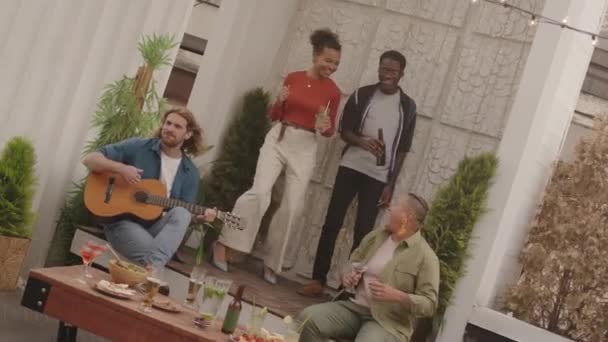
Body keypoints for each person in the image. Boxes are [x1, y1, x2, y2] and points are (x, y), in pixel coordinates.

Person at [212, 28, 342, 284]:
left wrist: (324, 124)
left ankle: (273, 263)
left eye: (336, 63)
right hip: (279, 138)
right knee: (260, 193)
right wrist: (279, 101)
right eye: (328, 60)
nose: (332, 67)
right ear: (316, 55)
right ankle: (224, 244)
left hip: (305, 145)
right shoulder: (292, 78)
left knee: (293, 207)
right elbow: (274, 115)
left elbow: (329, 131)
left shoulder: (333, 92)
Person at [298, 50, 417, 297]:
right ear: (379, 69)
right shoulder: (363, 95)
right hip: (350, 167)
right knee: (332, 222)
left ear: (401, 75)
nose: (387, 74)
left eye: (392, 71)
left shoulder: (407, 106)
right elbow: (344, 130)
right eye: (384, 69)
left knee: (363, 234)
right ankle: (318, 279)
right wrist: (363, 142)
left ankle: (347, 288)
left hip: (378, 177)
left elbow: (403, 149)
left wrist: (390, 184)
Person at [83, 107, 217, 270]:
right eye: (168, 123)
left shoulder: (190, 173)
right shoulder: (139, 147)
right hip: (123, 222)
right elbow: (90, 159)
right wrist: (121, 169)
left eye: (177, 126)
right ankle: (153, 273)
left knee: (183, 213)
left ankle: (152, 271)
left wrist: (199, 219)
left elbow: (180, 220)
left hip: (155, 228)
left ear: (188, 134)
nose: (169, 129)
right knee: (154, 256)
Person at [298, 194, 439, 342]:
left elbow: (429, 304)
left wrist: (397, 295)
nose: (390, 208)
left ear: (406, 217)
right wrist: (347, 275)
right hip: (354, 308)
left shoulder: (426, 257)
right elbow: (352, 262)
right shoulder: (377, 236)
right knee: (309, 318)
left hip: (387, 323)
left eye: (396, 205)